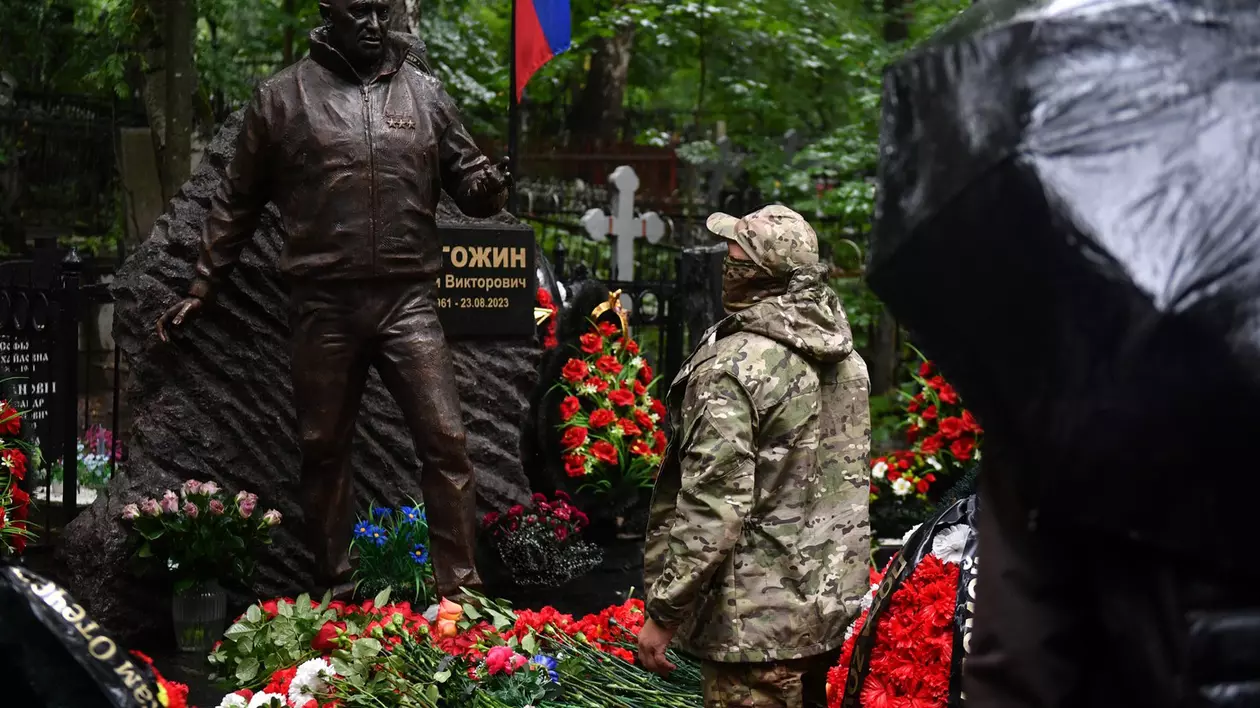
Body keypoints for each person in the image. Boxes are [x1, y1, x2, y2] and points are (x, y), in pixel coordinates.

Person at [154, 0, 509, 600]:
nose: (373, 24)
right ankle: (336, 587)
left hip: (408, 302)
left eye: (382, 11)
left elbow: (467, 176)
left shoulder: (425, 93)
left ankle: (461, 593)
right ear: (329, 13)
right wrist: (202, 285)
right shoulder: (281, 97)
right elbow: (236, 201)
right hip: (322, 303)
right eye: (359, 12)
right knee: (323, 446)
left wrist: (489, 187)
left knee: (446, 440)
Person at [638, 204, 872, 707]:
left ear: (757, 277)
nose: (726, 260)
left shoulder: (732, 367)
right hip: (829, 611)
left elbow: (714, 505)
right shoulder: (847, 359)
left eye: (735, 254)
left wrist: (663, 612)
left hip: (753, 631)